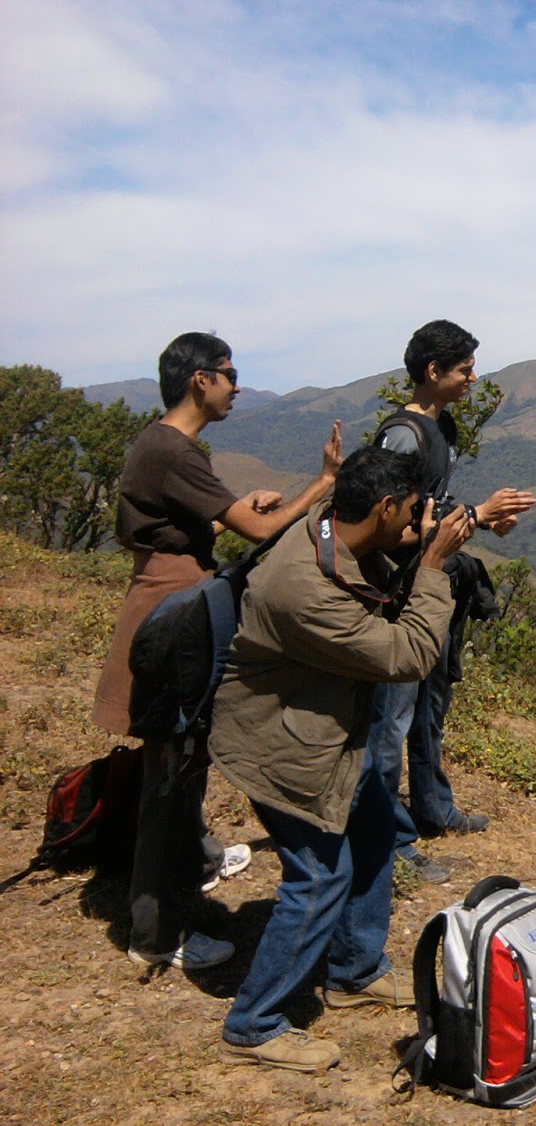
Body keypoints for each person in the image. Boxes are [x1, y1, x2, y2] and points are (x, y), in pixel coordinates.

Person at [211, 446, 474, 1073]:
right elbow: (407, 655)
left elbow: (376, 568)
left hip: (324, 736)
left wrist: (427, 537)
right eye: (410, 510)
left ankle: (353, 971)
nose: (415, 520)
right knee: (319, 877)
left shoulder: (334, 527)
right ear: (383, 507)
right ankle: (253, 1025)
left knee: (377, 828)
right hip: (283, 749)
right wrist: (433, 564)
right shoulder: (302, 587)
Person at [94, 332, 342, 969]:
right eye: (229, 374)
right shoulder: (172, 449)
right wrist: (322, 483)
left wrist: (224, 515)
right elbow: (259, 531)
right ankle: (154, 933)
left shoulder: (166, 446)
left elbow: (174, 525)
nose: (236, 385)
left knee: (183, 757)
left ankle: (194, 863)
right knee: (169, 771)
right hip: (174, 615)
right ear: (200, 380)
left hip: (171, 602)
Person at [368, 319, 535, 880]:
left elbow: (429, 510)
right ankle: (390, 841)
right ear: (433, 370)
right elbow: (384, 528)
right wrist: (476, 515)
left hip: (433, 584)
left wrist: (480, 523)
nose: (472, 378)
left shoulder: (442, 429)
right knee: (391, 720)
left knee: (430, 706)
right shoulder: (403, 437)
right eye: (464, 369)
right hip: (399, 594)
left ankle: (433, 807)